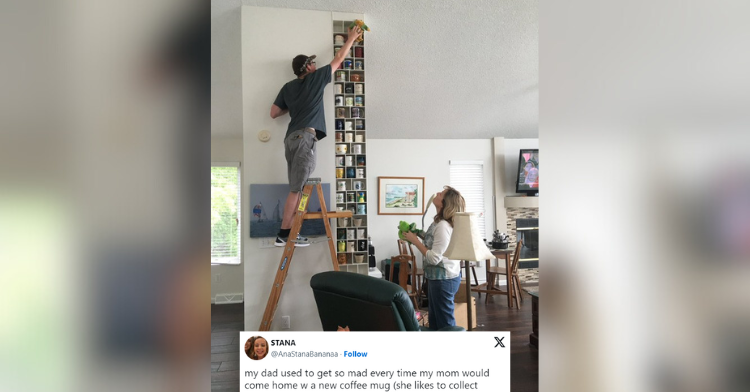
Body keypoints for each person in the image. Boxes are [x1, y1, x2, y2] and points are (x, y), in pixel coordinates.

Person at [270, 25, 364, 247]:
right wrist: (351, 38)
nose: (315, 64)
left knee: (297, 187)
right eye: (312, 62)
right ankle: (285, 234)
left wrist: (292, 107)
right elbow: (339, 58)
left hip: (290, 139)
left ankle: (285, 233)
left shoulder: (288, 87)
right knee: (296, 189)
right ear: (309, 68)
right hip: (305, 138)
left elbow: (274, 113)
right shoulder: (315, 78)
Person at [403, 186, 465, 330]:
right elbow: (433, 242)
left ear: (444, 203)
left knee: (445, 324)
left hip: (444, 280)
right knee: (436, 321)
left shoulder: (443, 226)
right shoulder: (439, 222)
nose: (437, 193)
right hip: (438, 279)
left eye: (441, 194)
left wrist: (415, 241)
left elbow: (434, 258)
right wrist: (418, 233)